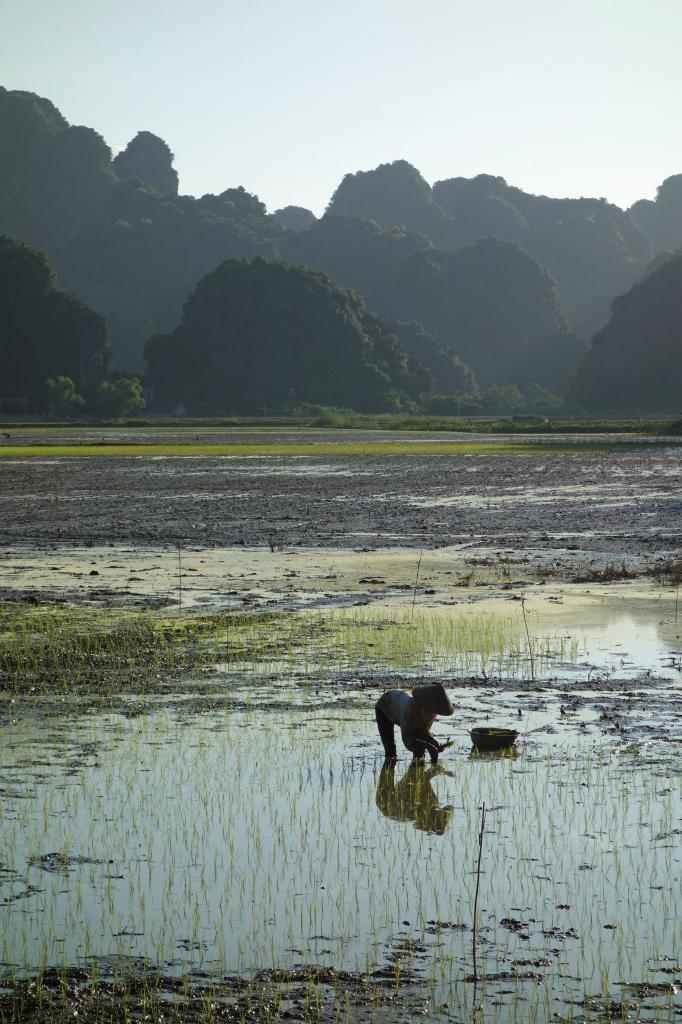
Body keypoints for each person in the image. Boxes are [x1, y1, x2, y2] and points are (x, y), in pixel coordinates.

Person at [375, 684, 454, 762]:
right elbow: (408, 741)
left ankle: (417, 768)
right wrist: (428, 746)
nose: (432, 715)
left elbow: (423, 733)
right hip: (384, 707)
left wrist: (434, 743)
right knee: (390, 752)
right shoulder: (408, 710)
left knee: (420, 754)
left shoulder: (431, 712)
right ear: (424, 707)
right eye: (431, 711)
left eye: (435, 712)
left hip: (399, 705)